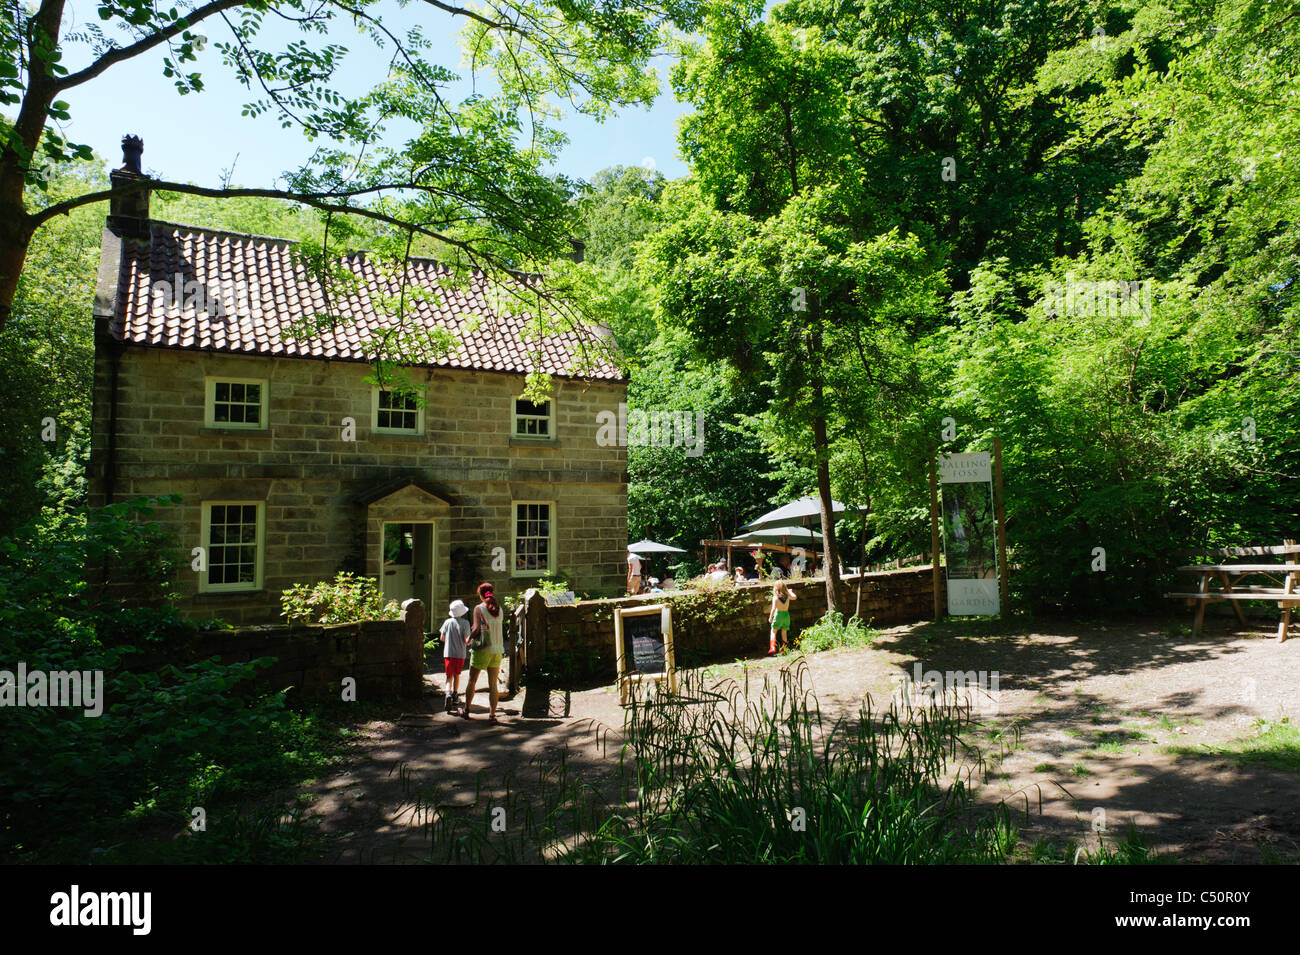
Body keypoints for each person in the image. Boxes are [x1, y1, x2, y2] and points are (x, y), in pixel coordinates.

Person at [462, 582, 505, 722]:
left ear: (481, 595)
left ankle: (466, 710)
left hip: (483, 649)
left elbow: (476, 630)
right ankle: (492, 716)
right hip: (497, 650)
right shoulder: (499, 610)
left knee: (472, 680)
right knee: (493, 685)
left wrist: (468, 639)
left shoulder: (479, 608)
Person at [439, 599, 471, 713]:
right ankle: (455, 696)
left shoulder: (447, 622)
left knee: (449, 676)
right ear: (462, 612)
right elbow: (466, 641)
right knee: (457, 675)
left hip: (448, 653)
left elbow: (442, 638)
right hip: (460, 654)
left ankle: (447, 693)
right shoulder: (466, 623)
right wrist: (471, 641)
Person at [768, 580, 798, 655]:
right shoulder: (787, 596)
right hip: (786, 615)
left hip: (778, 615)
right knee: (784, 632)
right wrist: (789, 592)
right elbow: (795, 597)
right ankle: (784, 649)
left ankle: (772, 647)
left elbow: (773, 608)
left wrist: (770, 617)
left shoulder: (775, 597)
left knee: (773, 631)